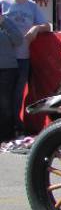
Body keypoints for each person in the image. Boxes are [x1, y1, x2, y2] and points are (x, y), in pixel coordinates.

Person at [1, 0, 52, 135]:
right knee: (4, 97)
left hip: (23, 58)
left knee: (18, 96)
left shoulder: (32, 6)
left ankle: (15, 127)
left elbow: (48, 25)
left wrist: (36, 28)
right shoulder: (3, 4)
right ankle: (6, 129)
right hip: (4, 58)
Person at [0, 12, 23, 143]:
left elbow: (18, 40)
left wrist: (4, 22)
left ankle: (6, 135)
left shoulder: (7, 22)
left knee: (5, 104)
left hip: (7, 69)